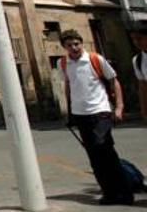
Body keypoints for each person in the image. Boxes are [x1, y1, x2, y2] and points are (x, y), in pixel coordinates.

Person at [60, 29, 133, 206]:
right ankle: (109, 193)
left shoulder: (95, 59)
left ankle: (125, 192)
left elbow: (113, 80)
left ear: (81, 43)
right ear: (64, 47)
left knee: (104, 149)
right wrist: (69, 111)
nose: (74, 48)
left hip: (100, 112)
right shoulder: (63, 63)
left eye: (76, 44)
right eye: (70, 45)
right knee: (94, 155)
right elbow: (69, 86)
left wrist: (119, 107)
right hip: (80, 114)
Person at [129, 20, 147, 122]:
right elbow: (143, 87)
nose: (136, 42)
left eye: (139, 38)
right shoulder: (137, 60)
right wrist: (144, 111)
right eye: (133, 39)